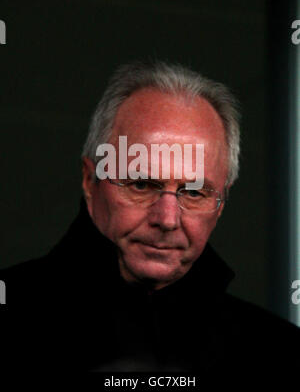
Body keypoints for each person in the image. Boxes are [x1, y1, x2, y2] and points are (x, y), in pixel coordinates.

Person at [1, 61, 299, 377]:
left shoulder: (279, 355)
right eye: (141, 184)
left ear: (221, 201)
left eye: (194, 193)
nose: (167, 219)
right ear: (91, 181)